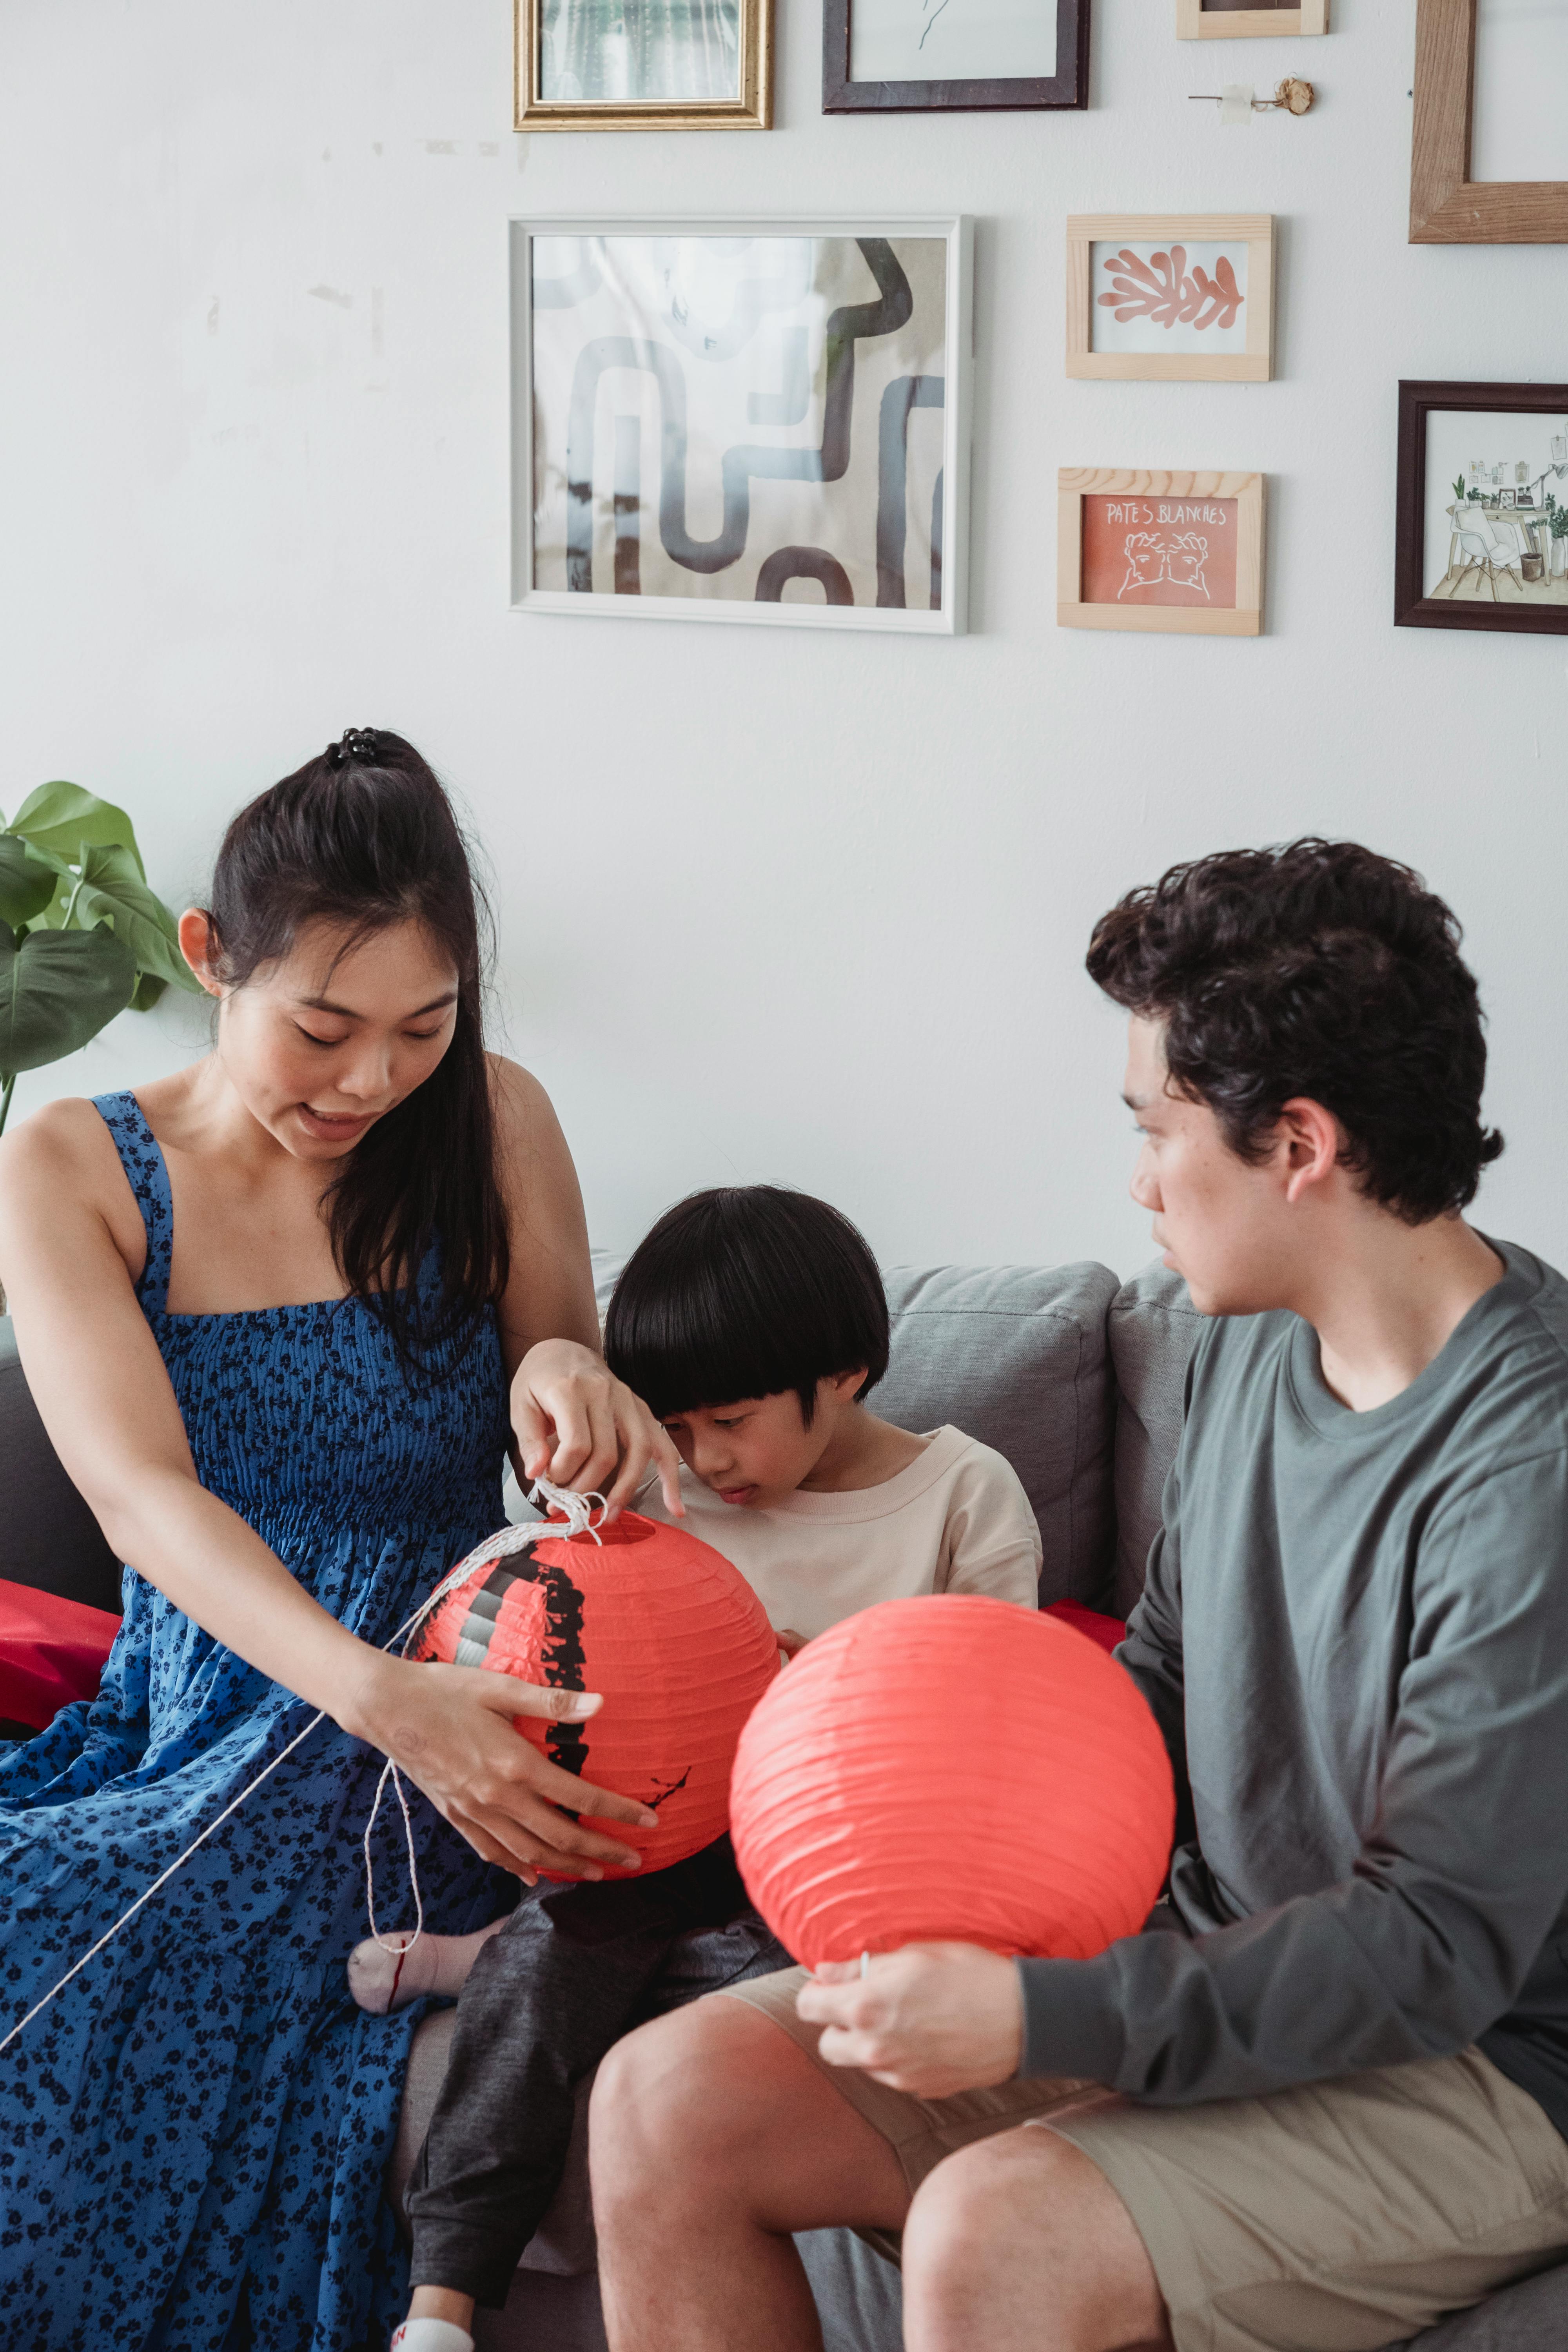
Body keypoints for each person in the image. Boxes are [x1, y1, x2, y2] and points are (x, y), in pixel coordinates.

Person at [588, 839, 1568, 2352]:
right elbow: (1161, 1671)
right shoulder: (1244, 1334)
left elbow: (1436, 1942)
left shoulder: (1531, 1464)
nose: (1138, 1179)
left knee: (996, 2231)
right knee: (668, 2098)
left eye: (1155, 1126)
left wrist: (1045, 2018)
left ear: (1298, 1145)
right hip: (1207, 1948)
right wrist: (945, 1875)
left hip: (1475, 2062)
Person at [0, 730, 682, 2352]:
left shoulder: (496, 1117)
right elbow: (140, 1501)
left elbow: (549, 1372)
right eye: (321, 1028)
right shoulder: (72, 1165)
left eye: (420, 1030)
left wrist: (567, 1370)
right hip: (236, 1686)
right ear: (206, 961)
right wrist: (375, 1697)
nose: (372, 1081)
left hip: (455, 1685)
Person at [379, 1184, 1042, 2352]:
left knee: (769, 1977)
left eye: (731, 1420)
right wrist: (569, 1447)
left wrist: (828, 1686)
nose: (705, 1458)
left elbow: (999, 1719)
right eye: (673, 1425)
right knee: (550, 1966)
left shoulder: (961, 1492)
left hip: (842, 1860)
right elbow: (533, 1575)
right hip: (667, 1835)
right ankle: (442, 2302)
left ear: (844, 1372)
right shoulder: (659, 1485)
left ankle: (480, 1959)